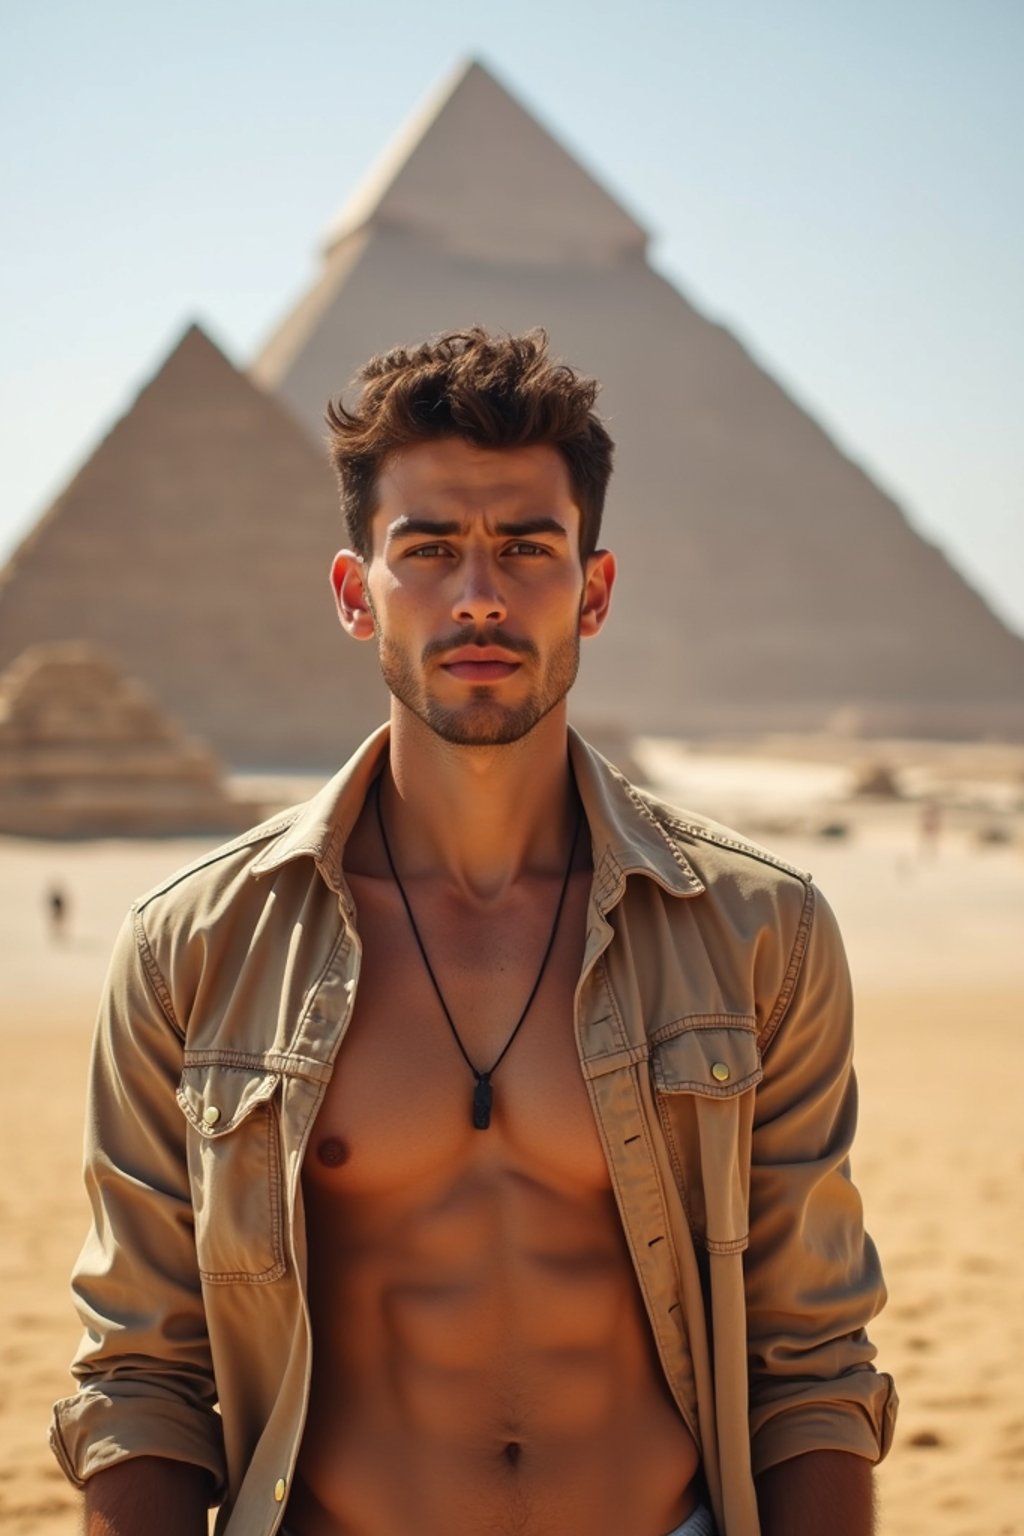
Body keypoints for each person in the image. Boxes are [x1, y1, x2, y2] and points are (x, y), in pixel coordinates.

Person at [50, 329, 895, 1536]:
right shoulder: (195, 950)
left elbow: (810, 1363)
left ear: (593, 590)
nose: (481, 595)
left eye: (526, 548)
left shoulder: (762, 934)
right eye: (430, 549)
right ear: (355, 594)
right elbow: (143, 1375)